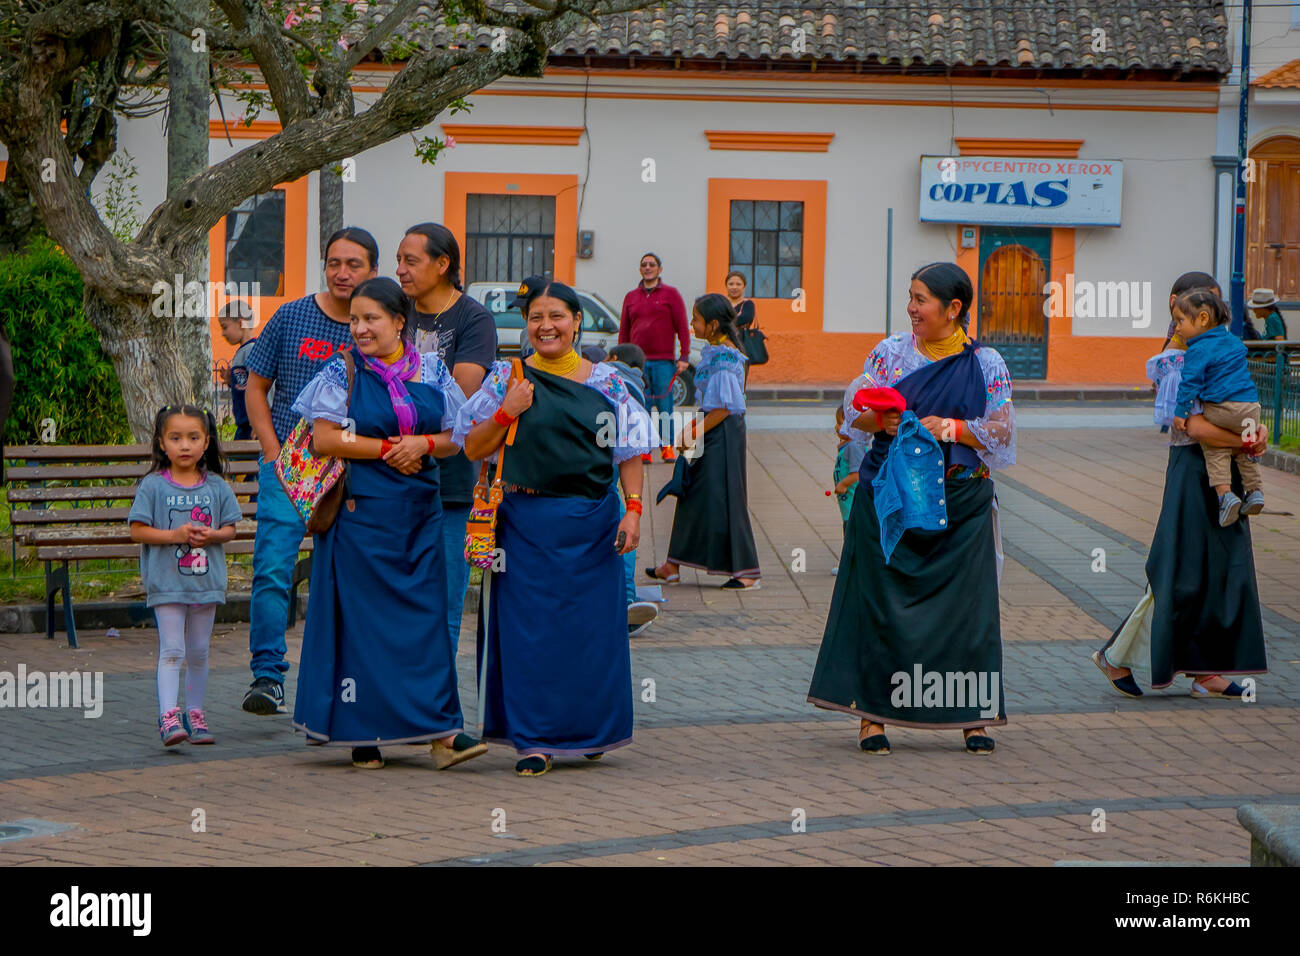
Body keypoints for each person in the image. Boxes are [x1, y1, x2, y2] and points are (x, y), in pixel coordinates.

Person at [807, 262, 1016, 755]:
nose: (912, 308)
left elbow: (1003, 433)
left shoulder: (986, 364)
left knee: (967, 613)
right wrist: (880, 418)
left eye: (921, 299)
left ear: (954, 308)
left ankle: (972, 716)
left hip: (959, 503)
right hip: (890, 501)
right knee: (875, 607)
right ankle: (871, 717)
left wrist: (951, 428)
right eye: (910, 297)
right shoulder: (890, 355)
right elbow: (853, 414)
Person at [455, 280, 652, 776]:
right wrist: (507, 410)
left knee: (590, 633)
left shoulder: (608, 384)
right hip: (524, 526)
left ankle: (591, 731)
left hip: (592, 526)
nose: (546, 326)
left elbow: (628, 454)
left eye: (556, 316)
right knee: (530, 634)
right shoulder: (507, 378)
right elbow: (474, 449)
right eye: (536, 317)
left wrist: (633, 510)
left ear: (577, 321)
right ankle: (534, 739)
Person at [289, 277, 486, 770]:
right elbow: (326, 439)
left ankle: (442, 731)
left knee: (426, 620)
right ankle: (362, 731)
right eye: (354, 319)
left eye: (370, 318)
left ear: (400, 321)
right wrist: (387, 450)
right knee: (363, 624)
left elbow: (455, 437)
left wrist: (422, 445)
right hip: (361, 514)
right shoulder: (342, 370)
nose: (359, 328)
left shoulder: (434, 370)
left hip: (419, 512)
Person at [1093, 272, 1269, 700]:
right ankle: (1117, 655)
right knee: (1179, 571)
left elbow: (1236, 405)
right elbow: (1193, 427)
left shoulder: (1214, 350)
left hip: (1223, 472)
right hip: (1195, 472)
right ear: (1178, 307)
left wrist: (1252, 435)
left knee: (1224, 569)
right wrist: (1247, 440)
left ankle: (1205, 668)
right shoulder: (1173, 362)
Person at [241, 227, 379, 715]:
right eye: (334, 262)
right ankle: (267, 676)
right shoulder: (292, 316)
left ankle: (342, 677)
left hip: (351, 467)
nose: (343, 273)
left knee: (345, 575)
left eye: (354, 264)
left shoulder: (375, 324)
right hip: (289, 465)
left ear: (372, 271)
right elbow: (255, 389)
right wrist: (274, 453)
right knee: (273, 570)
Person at [397, 223, 497, 656]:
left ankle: (440, 715)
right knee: (397, 598)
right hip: (389, 475)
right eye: (398, 260)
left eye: (411, 261)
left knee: (444, 602)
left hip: (450, 481)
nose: (400, 269)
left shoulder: (473, 319)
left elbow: (460, 397)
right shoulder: (394, 310)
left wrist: (397, 404)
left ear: (443, 264)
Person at [128, 405, 241, 746]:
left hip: (206, 583)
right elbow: (137, 530)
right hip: (167, 583)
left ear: (206, 442)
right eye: (175, 438)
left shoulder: (217, 487)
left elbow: (231, 529)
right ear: (162, 443)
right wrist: (174, 536)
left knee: (199, 651)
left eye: (193, 437)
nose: (185, 446)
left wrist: (212, 535)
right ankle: (168, 716)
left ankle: (195, 713)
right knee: (172, 649)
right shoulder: (152, 486)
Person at [647, 293, 760, 590]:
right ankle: (672, 564)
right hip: (712, 427)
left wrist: (693, 432)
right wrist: (694, 428)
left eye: (695, 318)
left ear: (711, 325)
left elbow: (724, 407)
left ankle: (746, 572)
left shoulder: (725, 355)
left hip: (723, 433)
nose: (691, 323)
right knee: (690, 491)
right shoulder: (715, 350)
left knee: (727, 497)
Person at [1170, 288, 1265, 525]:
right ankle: (1254, 491)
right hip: (1251, 406)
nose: (1177, 327)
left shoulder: (1198, 349)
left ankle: (1225, 495)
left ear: (1202, 318)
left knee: (1215, 448)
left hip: (1222, 407)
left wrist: (1181, 412)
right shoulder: (1233, 342)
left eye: (1180, 321)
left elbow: (1189, 382)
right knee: (1245, 451)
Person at [607, 342, 659, 637]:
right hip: (623, 452)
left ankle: (622, 599)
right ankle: (627, 598)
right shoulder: (638, 387)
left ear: (613, 358)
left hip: (596, 450)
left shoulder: (603, 374)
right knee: (624, 518)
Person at [619, 252, 689, 463]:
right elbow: (624, 330)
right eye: (644, 265)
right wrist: (622, 359)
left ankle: (667, 446)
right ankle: (644, 448)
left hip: (664, 361)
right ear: (640, 269)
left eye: (652, 264)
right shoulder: (631, 297)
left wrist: (684, 355)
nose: (647, 267)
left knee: (665, 405)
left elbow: (683, 328)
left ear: (659, 269)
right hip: (638, 364)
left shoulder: (671, 295)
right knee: (641, 406)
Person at [829, 397, 867, 576]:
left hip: (853, 502)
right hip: (847, 503)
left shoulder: (854, 447)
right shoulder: (847, 446)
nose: (837, 428)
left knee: (852, 534)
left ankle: (850, 566)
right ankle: (850, 564)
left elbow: (858, 473)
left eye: (841, 423)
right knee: (850, 533)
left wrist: (843, 484)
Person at [217, 300, 258, 440]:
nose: (222, 333)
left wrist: (259, 424)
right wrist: (230, 381)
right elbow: (245, 384)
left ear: (241, 323)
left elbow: (261, 388)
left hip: (253, 426)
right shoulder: (242, 352)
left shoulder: (252, 350)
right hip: (243, 424)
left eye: (224, 327)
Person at [725, 270, 759, 384]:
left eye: (738, 284)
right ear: (726, 286)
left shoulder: (748, 304)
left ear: (744, 287)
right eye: (731, 284)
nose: (734, 287)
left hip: (742, 347)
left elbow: (746, 318)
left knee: (739, 385)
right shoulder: (721, 303)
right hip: (720, 347)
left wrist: (723, 322)